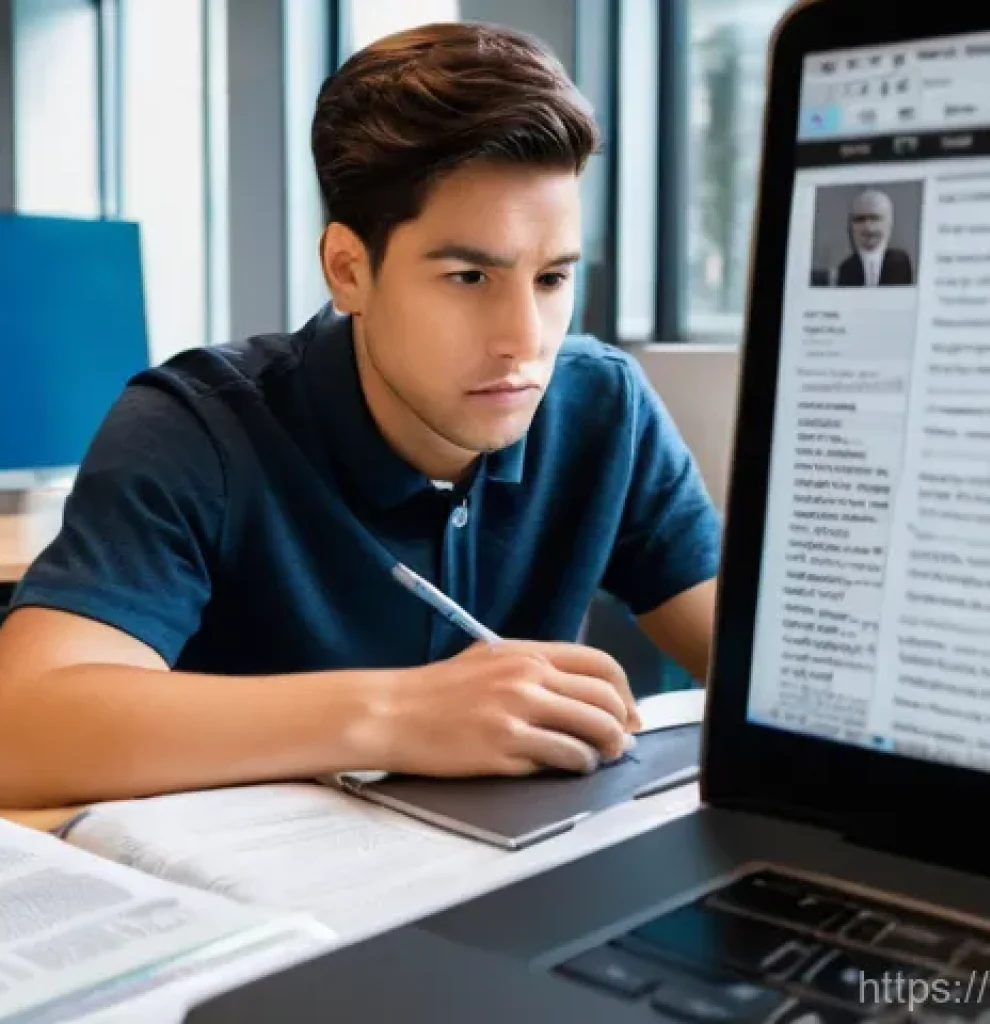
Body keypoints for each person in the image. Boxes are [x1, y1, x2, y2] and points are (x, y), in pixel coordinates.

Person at [0, 22, 721, 809]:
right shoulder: (194, 429)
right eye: (470, 277)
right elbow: (19, 729)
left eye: (551, 279)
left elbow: (761, 673)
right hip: (271, 910)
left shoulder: (604, 408)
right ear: (348, 269)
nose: (526, 342)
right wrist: (399, 714)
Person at [835, 188, 913, 286]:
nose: (868, 227)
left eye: (875, 218)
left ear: (888, 222)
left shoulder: (899, 262)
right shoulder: (847, 268)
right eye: (860, 219)